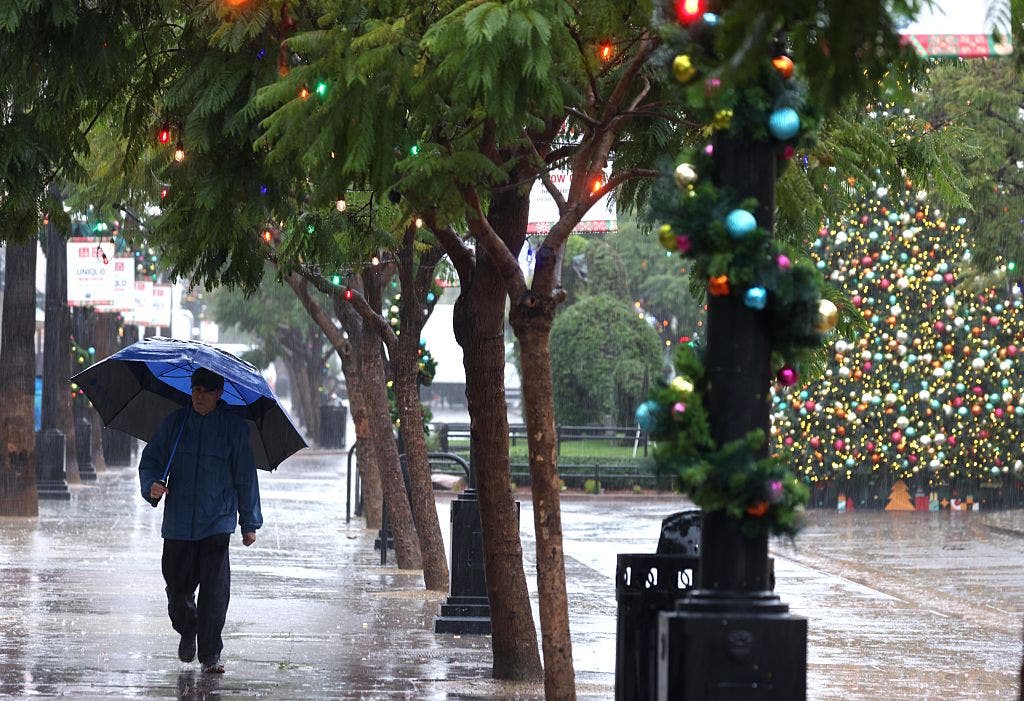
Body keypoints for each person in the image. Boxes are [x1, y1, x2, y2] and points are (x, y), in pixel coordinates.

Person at [139, 367, 262, 674]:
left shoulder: (233, 429)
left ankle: (210, 654)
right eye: (195, 390)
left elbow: (245, 476)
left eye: (206, 391)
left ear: (219, 393)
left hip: (217, 522)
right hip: (178, 523)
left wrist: (249, 523)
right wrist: (152, 485)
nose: (199, 396)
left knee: (214, 593)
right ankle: (187, 627)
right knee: (177, 590)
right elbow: (151, 460)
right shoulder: (176, 423)